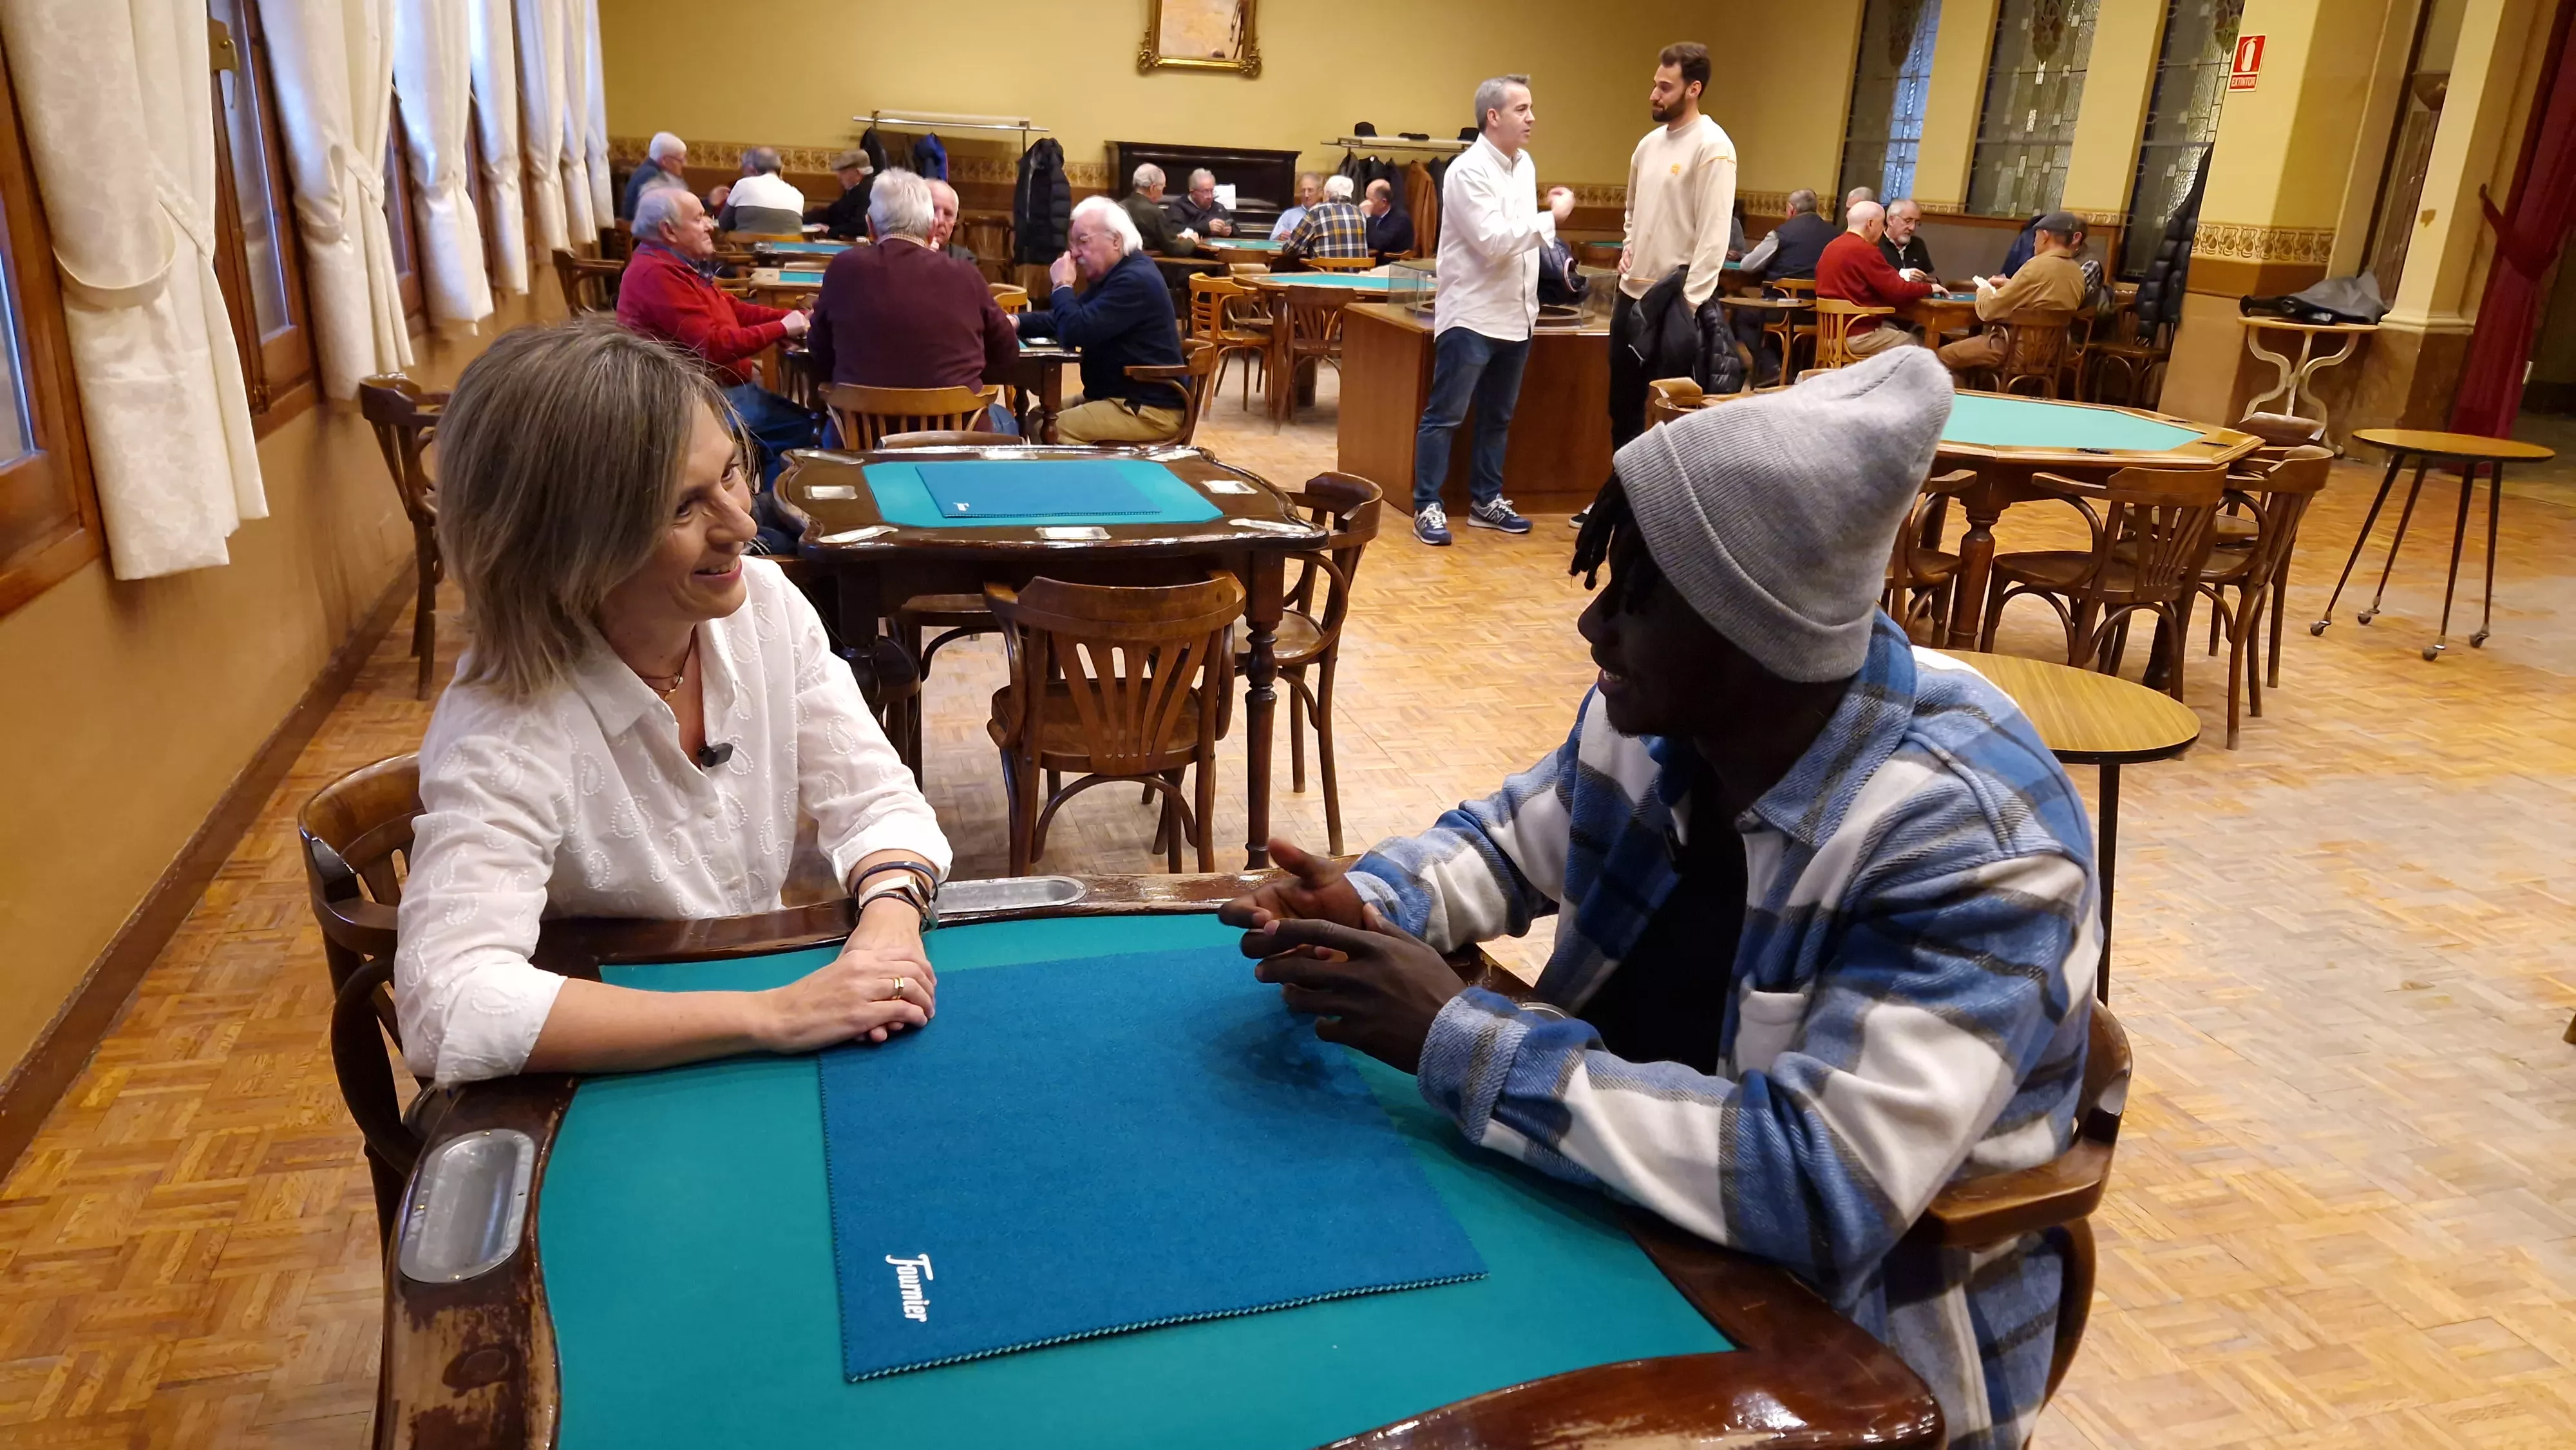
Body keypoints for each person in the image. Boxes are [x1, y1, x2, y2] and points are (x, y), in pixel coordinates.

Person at [1222, 348, 2097, 1450]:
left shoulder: (1976, 839)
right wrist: (1369, 899)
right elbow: (1507, 840)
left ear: (1756, 633)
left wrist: (1450, 1031)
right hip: (1621, 1206)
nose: (1595, 632)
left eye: (1635, 597)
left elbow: (1819, 1187)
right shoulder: (1668, 716)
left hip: (1849, 1340)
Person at [396, 318, 950, 1089]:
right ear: (565, 547)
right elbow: (447, 1004)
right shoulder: (504, 724)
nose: (744, 527)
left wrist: (888, 928)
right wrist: (773, 1015)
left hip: (752, 1045)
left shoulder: (764, 605)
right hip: (611, 1077)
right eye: (682, 508)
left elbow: (876, 798)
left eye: (730, 473)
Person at [1410, 75, 1571, 546]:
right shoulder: (1466, 171)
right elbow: (1493, 242)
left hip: (1517, 313)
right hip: (1472, 315)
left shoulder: (1525, 166)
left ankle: (1486, 500)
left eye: (1532, 108)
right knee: (1446, 415)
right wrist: (1552, 219)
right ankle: (1427, 505)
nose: (1532, 118)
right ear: (1493, 116)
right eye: (1522, 109)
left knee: (1498, 418)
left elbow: (1517, 238)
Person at [616, 188, 813, 549]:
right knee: (802, 431)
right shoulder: (655, 275)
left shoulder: (676, 265)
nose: (710, 225)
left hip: (719, 389)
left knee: (790, 426)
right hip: (693, 400)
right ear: (669, 231)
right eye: (699, 218)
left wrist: (789, 318)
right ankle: (762, 527)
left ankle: (762, 516)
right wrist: (783, 329)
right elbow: (712, 347)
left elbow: (734, 309)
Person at [807, 169, 1016, 431]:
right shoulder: (966, 275)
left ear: (871, 226)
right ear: (931, 229)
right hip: (957, 446)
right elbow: (1008, 353)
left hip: (861, 440)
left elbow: (819, 352)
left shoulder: (842, 268)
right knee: (1006, 421)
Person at [1610, 41, 1737, 455]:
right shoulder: (1647, 146)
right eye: (1654, 85)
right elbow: (1632, 211)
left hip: (1676, 304)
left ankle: (1654, 510)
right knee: (1622, 404)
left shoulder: (1713, 146)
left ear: (1693, 89)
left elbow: (1714, 234)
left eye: (1665, 87)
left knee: (1664, 413)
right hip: (1631, 297)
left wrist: (1690, 303)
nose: (1654, 95)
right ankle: (1617, 502)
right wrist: (1629, 246)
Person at [1012, 196, 1188, 444]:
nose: (1074, 252)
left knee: (1049, 428)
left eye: (1082, 241)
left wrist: (1063, 285)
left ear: (1116, 240)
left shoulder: (1135, 279)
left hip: (1149, 409)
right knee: (1037, 417)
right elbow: (1066, 319)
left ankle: (1088, 481)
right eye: (1072, 243)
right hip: (1118, 397)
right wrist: (1016, 322)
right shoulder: (1115, 274)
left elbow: (1075, 331)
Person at [1939, 211, 2090, 377]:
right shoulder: (2076, 272)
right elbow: (2044, 296)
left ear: (2045, 236)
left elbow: (1987, 310)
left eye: (2035, 238)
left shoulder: (2036, 266)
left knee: (1939, 357)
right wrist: (2012, 285)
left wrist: (1984, 290)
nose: (2033, 243)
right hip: (2053, 353)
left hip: (2014, 350)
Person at [1733, 189, 1839, 382]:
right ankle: (1792, 370)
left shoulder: (1781, 234)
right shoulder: (1835, 235)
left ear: (1791, 210)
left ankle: (1771, 367)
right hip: (1821, 312)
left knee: (1744, 316)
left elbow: (1747, 266)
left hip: (1784, 309)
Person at [1816, 200, 1931, 357]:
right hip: (1857, 336)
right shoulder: (1865, 250)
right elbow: (1898, 290)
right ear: (1870, 224)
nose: (1883, 229)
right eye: (1882, 224)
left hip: (1829, 333)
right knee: (1916, 344)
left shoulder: (1831, 247)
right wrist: (1930, 288)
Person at [1281, 174, 1368, 265]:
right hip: (1357, 276)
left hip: (1325, 274)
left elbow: (1290, 249)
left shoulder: (1317, 211)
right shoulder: (1360, 213)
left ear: (1327, 194)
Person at [717, 146, 805, 235]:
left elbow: (724, 224)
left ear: (752, 169)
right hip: (788, 248)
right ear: (781, 170)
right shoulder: (797, 194)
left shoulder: (744, 184)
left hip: (747, 248)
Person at [1121, 163, 1193, 256]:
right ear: (1153, 188)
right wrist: (1192, 241)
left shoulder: (1120, 206)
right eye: (1163, 188)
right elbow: (1174, 249)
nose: (1162, 194)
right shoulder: (1155, 212)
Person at [807, 150, 875, 240]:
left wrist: (830, 231)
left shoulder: (865, 193)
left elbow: (860, 226)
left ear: (858, 173)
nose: (839, 177)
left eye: (843, 172)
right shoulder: (855, 189)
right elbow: (834, 212)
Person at [620, 131, 687, 222]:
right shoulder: (653, 177)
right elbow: (669, 214)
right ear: (665, 161)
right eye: (681, 160)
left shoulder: (654, 171)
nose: (685, 164)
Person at [926, 178, 983, 267]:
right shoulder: (901, 252)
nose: (940, 220)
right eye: (933, 211)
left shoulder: (965, 260)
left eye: (948, 214)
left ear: (955, 221)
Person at [1170, 168, 1235, 238]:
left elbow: (1236, 229)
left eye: (1212, 191)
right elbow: (1175, 231)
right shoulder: (1179, 207)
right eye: (1205, 191)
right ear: (1193, 192)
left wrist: (1230, 231)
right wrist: (1205, 227)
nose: (1210, 196)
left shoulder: (1218, 208)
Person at [1362, 178, 1414, 261]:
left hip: (1391, 266)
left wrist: (1368, 217)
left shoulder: (1400, 219)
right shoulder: (1375, 217)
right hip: (1372, 263)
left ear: (1384, 202)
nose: (1366, 204)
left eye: (1370, 200)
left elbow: (1378, 243)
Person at [1880, 198, 1935, 278]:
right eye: (1908, 221)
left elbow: (1930, 276)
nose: (1912, 228)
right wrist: (1902, 276)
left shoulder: (1918, 244)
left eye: (1916, 222)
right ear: (1891, 220)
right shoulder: (1876, 244)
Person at [1269, 172, 1325, 241]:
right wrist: (1279, 238)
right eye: (1303, 190)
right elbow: (1271, 242)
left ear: (1320, 193)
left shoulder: (1327, 215)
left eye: (1310, 190)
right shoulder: (1289, 215)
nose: (1306, 195)